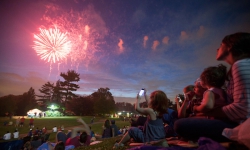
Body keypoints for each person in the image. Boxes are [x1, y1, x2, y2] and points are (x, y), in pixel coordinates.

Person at [174, 32, 250, 142]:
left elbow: (244, 108)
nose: (217, 49)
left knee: (180, 125)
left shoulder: (240, 64)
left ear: (229, 47)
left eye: (220, 45)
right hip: (239, 122)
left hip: (243, 126)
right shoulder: (239, 66)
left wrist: (203, 112)